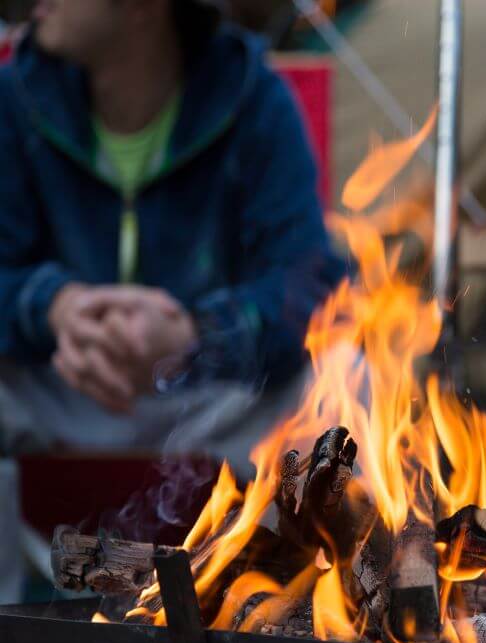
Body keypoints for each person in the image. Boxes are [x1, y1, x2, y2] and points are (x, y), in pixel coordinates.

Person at [0, 0, 343, 601]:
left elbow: (304, 286)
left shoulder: (252, 99)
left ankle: (316, 626)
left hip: (209, 401)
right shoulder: (14, 99)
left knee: (345, 382)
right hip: (63, 388)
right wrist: (54, 307)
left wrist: (195, 335)